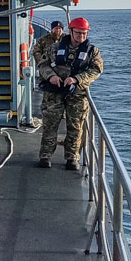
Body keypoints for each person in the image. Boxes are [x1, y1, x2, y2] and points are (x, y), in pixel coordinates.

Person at [38, 17, 102, 170]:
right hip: (54, 92)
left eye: (84, 34)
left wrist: (77, 79)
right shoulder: (54, 47)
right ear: (71, 31)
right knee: (50, 125)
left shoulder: (92, 51)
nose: (81, 37)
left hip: (77, 94)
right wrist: (51, 76)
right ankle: (45, 156)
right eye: (78, 33)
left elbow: (96, 70)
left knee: (76, 126)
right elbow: (42, 64)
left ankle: (72, 158)